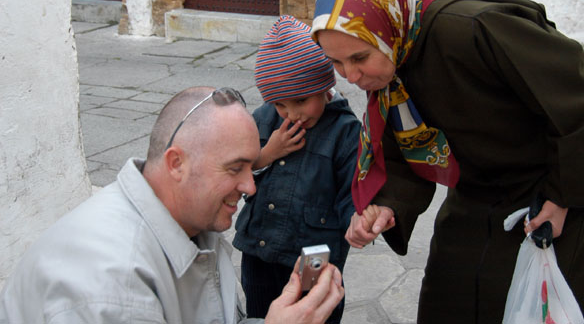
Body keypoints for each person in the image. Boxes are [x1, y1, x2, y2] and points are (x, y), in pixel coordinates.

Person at [309, 0, 584, 323]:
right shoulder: (394, 57)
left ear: (389, 27)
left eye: (359, 58)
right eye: (336, 62)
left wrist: (562, 196)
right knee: (448, 300)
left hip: (557, 187)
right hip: (475, 194)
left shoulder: (474, 28)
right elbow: (404, 149)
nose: (351, 77)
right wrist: (387, 205)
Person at [0, 86, 344, 324]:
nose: (250, 185)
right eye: (235, 167)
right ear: (176, 163)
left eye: (251, 166)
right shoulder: (112, 287)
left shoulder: (194, 226)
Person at [232, 15, 361, 323]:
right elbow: (238, 171)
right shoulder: (263, 119)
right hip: (259, 246)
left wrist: (358, 219)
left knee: (314, 311)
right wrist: (267, 153)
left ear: (324, 85)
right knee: (262, 313)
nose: (292, 114)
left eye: (301, 100)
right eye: (280, 105)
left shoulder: (345, 132)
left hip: (314, 255)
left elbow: (350, 195)